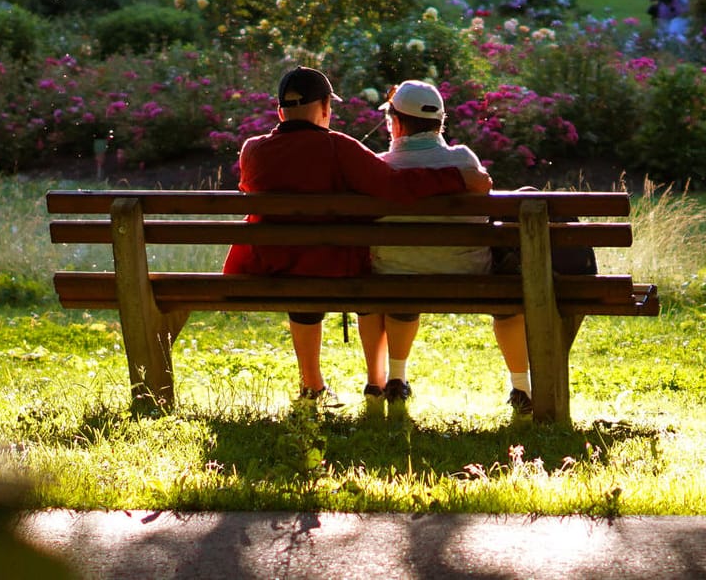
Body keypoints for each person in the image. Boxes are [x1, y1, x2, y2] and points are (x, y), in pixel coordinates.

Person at [223, 67, 492, 405]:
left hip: (274, 268)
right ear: (324, 108)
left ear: (280, 111)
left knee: (301, 268)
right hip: (336, 269)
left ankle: (312, 385)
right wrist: (457, 177)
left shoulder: (252, 150)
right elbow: (393, 186)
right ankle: (377, 382)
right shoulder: (338, 147)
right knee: (357, 267)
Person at [360, 79, 533, 415]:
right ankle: (522, 387)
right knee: (509, 300)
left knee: (401, 280)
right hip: (469, 272)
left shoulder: (378, 166)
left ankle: (395, 379)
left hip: (394, 276)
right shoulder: (464, 160)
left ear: (394, 122)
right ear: (440, 123)